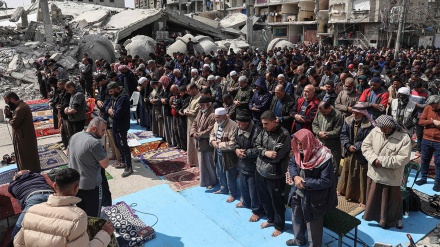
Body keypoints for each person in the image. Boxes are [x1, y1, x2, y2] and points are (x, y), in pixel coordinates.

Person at [13, 168, 114, 247]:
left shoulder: (31, 212)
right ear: (76, 188)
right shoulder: (77, 218)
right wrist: (105, 233)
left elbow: (17, 243)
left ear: (55, 186)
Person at [286, 129, 337, 246]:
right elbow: (292, 164)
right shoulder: (298, 152)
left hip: (315, 199)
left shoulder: (324, 157)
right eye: (297, 143)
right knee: (296, 218)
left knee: (313, 227)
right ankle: (298, 240)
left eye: (301, 144)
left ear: (308, 142)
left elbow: (326, 181)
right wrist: (295, 177)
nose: (298, 147)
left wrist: (304, 182)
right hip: (297, 193)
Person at [361, 115, 411, 228]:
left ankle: (387, 222)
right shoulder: (376, 130)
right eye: (381, 128)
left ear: (391, 127)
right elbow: (365, 146)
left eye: (384, 128)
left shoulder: (404, 138)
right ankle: (372, 217)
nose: (382, 130)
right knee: (373, 198)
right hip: (374, 173)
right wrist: (374, 159)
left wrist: (382, 161)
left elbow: (403, 158)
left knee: (390, 202)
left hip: (390, 177)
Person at [255, 110, 291, 237]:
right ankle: (270, 219)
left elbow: (276, 156)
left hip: (275, 174)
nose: (263, 126)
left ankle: (279, 226)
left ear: (273, 121)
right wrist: (265, 153)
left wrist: (262, 153)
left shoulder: (284, 135)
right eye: (262, 124)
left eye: (266, 124)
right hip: (260, 171)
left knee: (277, 201)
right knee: (264, 198)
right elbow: (256, 145)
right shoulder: (264, 131)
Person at [68, 117, 110, 217]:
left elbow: (67, 152)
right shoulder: (94, 142)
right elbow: (105, 164)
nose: (104, 133)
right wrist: (105, 152)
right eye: (102, 130)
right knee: (93, 216)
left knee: (81, 213)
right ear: (93, 129)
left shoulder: (75, 136)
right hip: (91, 186)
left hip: (75, 184)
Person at [337, 103, 375, 207]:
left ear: (363, 114)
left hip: (362, 154)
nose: (354, 115)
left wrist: (357, 147)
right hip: (349, 151)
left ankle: (361, 198)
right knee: (346, 171)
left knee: (361, 175)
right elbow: (343, 134)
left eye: (357, 114)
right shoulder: (348, 121)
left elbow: (369, 139)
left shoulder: (369, 125)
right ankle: (343, 191)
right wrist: (348, 145)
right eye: (353, 113)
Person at [234, 111, 265, 222]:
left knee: (254, 190)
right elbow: (235, 141)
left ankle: (257, 211)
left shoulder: (257, 131)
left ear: (247, 122)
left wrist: (247, 153)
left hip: (253, 166)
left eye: (240, 123)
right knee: (243, 186)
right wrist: (237, 150)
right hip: (242, 163)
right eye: (237, 122)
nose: (238, 125)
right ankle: (246, 202)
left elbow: (259, 149)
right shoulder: (239, 129)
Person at [9, 170, 54, 239]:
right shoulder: (38, 176)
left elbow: (14, 194)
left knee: (16, 232)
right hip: (52, 195)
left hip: (34, 199)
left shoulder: (13, 185)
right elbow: (34, 173)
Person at [3, 92, 41, 172]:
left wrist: (10, 119)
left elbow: (14, 123)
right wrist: (10, 114)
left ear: (12, 99)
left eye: (7, 101)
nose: (6, 103)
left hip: (24, 137)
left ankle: (29, 173)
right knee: (23, 155)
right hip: (23, 136)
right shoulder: (19, 107)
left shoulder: (21, 108)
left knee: (26, 157)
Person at [210, 108, 238, 202]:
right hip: (218, 152)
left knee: (230, 174)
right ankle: (223, 189)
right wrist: (213, 141)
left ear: (224, 116)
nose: (216, 119)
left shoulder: (233, 125)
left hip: (228, 155)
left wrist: (219, 145)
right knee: (220, 172)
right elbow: (212, 134)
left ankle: (232, 194)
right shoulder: (217, 123)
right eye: (216, 117)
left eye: (218, 117)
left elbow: (233, 143)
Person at [107, 82, 133, 177]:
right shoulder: (114, 96)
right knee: (118, 144)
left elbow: (118, 113)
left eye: (111, 91)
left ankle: (129, 166)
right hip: (114, 124)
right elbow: (107, 106)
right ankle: (123, 162)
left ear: (116, 89)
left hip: (121, 125)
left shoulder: (123, 98)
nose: (110, 93)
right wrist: (109, 110)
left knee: (124, 146)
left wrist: (111, 111)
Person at [312, 101, 343, 177]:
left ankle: (332, 187)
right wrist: (319, 133)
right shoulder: (319, 112)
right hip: (319, 144)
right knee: (318, 165)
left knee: (333, 168)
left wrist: (326, 134)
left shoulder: (338, 115)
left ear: (329, 108)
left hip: (332, 145)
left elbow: (337, 131)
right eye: (321, 112)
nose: (323, 114)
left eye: (324, 112)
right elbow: (314, 124)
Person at [190, 96, 216, 188]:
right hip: (199, 141)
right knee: (201, 162)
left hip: (206, 143)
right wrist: (193, 132)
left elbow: (210, 130)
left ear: (208, 104)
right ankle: (203, 178)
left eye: (201, 105)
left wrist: (199, 134)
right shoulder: (201, 111)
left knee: (209, 163)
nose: (200, 107)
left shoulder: (213, 115)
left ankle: (212, 181)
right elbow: (194, 123)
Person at [415, 95, 440, 191]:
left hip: (438, 141)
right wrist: (432, 121)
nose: (433, 108)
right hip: (427, 139)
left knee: (438, 162)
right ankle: (423, 178)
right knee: (425, 159)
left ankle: (437, 182)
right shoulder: (428, 108)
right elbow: (421, 122)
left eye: (435, 106)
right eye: (432, 106)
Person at [184, 83, 201, 166]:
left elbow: (196, 111)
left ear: (194, 89)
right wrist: (186, 111)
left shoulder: (199, 98)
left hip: (196, 123)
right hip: (189, 122)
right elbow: (187, 108)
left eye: (189, 91)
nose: (188, 93)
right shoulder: (192, 98)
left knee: (195, 143)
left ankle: (197, 161)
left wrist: (187, 112)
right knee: (190, 142)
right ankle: (192, 160)